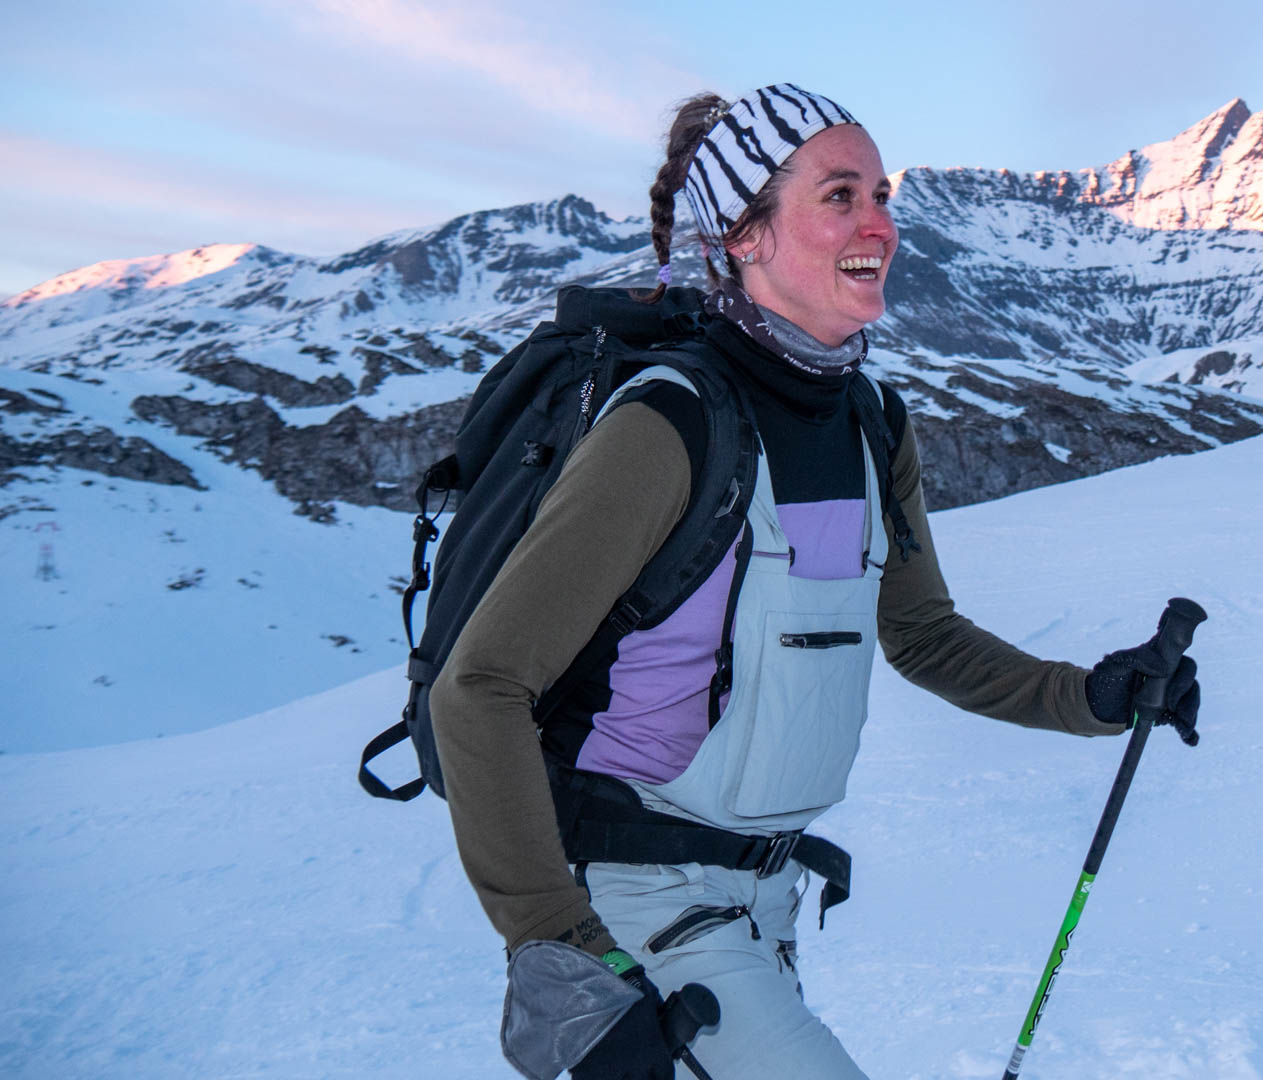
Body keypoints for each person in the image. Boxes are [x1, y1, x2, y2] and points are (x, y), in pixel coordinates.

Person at [432, 85, 1201, 1080]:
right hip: (636, 920)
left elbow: (922, 634)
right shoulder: (669, 429)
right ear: (744, 234)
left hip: (762, 907)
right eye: (840, 195)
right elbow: (481, 686)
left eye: (881, 195)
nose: (880, 223)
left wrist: (1089, 696)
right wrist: (564, 964)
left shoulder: (872, 423)